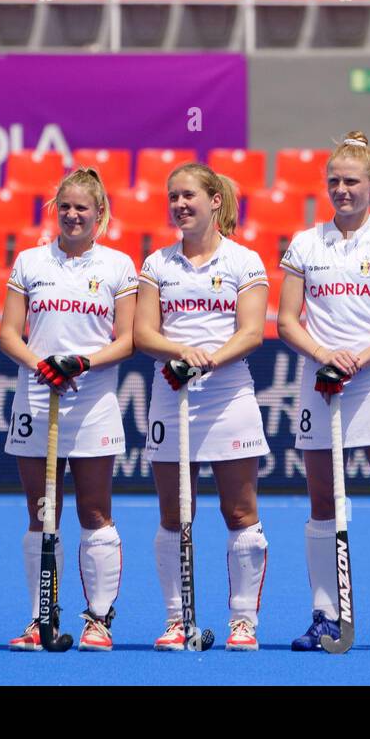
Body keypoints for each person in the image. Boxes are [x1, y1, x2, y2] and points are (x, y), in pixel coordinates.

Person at [278, 131, 370, 652]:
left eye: (353, 182)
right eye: (335, 182)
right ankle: (324, 614)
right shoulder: (305, 243)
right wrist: (325, 357)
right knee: (323, 503)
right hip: (321, 386)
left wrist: (357, 361)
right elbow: (287, 322)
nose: (342, 190)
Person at [133, 162, 270, 652]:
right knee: (174, 514)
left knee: (240, 512)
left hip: (228, 397)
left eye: (188, 195)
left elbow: (251, 332)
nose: (179, 205)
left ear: (215, 200)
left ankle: (242, 621)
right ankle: (177, 619)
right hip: (172, 398)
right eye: (172, 197)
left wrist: (207, 360)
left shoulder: (245, 261)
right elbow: (143, 333)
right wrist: (179, 355)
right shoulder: (157, 264)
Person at [0, 168, 137, 652]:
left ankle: (99, 619)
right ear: (55, 210)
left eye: (83, 208)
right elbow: (8, 334)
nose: (73, 215)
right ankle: (41, 616)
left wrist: (83, 362)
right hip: (37, 399)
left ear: (100, 214)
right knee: (41, 513)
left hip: (93, 401)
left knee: (95, 511)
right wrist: (42, 364)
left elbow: (128, 340)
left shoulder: (119, 266)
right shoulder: (30, 262)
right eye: (66, 207)